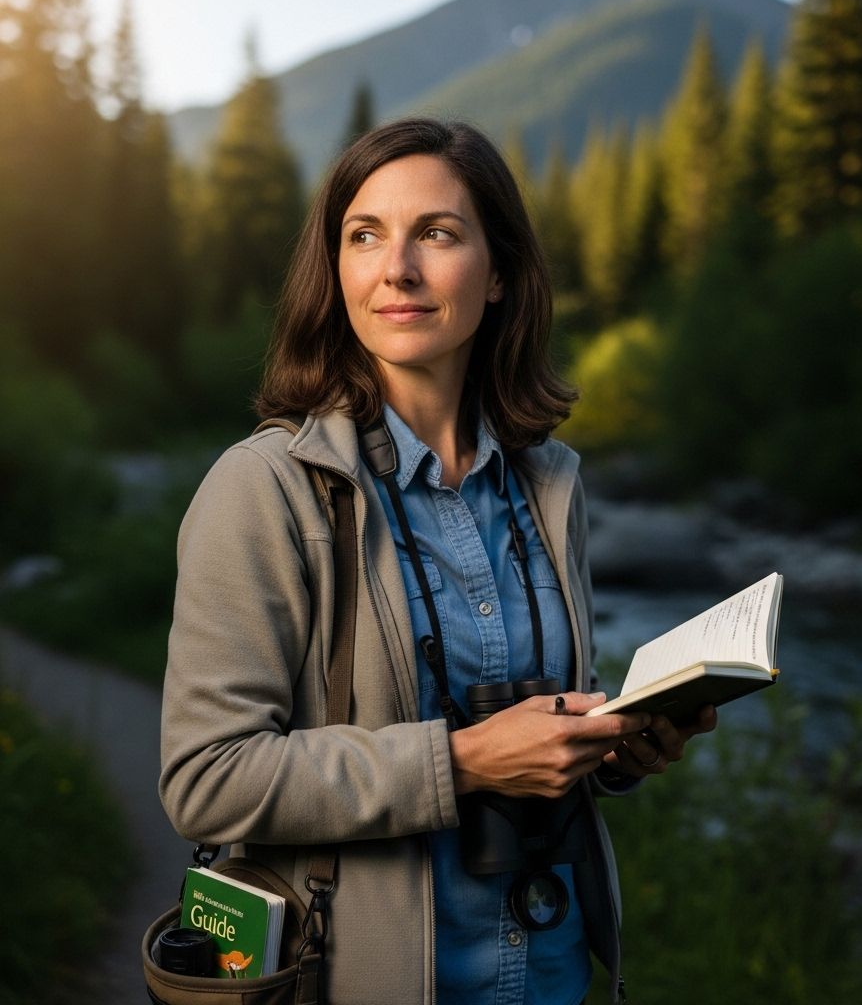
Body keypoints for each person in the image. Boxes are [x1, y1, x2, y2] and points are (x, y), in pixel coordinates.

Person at [160, 116, 716, 1005]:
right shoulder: (265, 489)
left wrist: (618, 744)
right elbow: (206, 778)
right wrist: (459, 763)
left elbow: (544, 728)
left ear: (499, 276)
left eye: (439, 234)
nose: (397, 270)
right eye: (365, 235)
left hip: (552, 975)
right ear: (335, 268)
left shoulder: (549, 487)